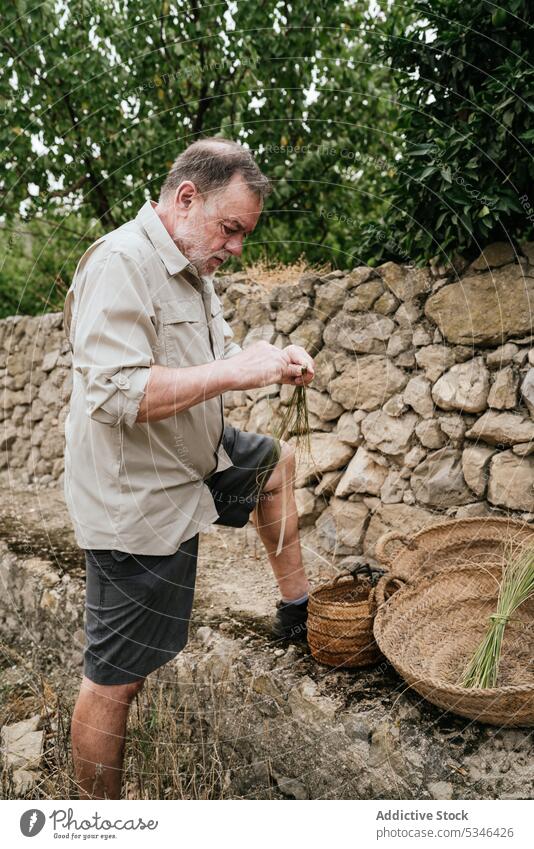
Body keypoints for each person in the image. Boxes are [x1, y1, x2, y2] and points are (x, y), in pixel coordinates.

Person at [62, 137, 315, 799]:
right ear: (184, 198)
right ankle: (95, 823)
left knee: (275, 462)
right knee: (115, 680)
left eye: (243, 234)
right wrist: (233, 370)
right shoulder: (120, 263)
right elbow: (116, 393)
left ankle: (299, 611)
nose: (235, 247)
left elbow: (221, 350)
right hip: (136, 497)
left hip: (192, 459)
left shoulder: (193, 268)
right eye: (231, 228)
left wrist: (271, 359)